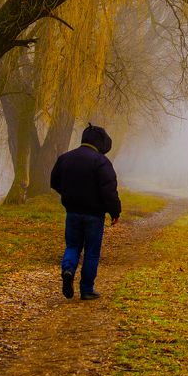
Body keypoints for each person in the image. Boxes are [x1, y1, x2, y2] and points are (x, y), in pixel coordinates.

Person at [50, 124, 122, 300]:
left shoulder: (65, 158)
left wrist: (68, 195)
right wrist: (115, 212)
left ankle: (68, 269)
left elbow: (54, 182)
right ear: (101, 143)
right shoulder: (101, 162)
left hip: (72, 213)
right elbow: (109, 190)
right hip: (94, 216)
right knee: (91, 251)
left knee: (72, 246)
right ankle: (86, 289)